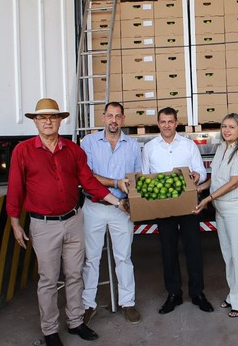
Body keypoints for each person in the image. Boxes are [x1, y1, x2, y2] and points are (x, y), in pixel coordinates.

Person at [6, 98, 126, 346]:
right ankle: (50, 330)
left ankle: (75, 322)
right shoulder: (23, 151)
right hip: (44, 225)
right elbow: (15, 188)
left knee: (74, 274)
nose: (47, 121)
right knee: (48, 280)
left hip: (73, 220)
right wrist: (15, 223)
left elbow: (89, 182)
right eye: (42, 117)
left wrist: (117, 202)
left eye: (52, 117)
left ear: (61, 120)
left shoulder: (73, 150)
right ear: (35, 122)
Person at [141, 107, 214, 314]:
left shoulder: (188, 145)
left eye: (170, 121)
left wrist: (197, 176)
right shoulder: (150, 148)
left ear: (176, 123)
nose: (167, 125)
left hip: (187, 204)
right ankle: (174, 294)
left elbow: (201, 171)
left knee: (194, 249)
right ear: (158, 123)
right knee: (168, 250)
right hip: (163, 206)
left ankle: (197, 293)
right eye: (163, 122)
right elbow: (144, 176)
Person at [80, 102, 142, 325]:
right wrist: (116, 182)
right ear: (103, 117)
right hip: (94, 207)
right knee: (91, 259)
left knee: (123, 257)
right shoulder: (88, 142)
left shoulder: (133, 146)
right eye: (110, 116)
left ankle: (128, 303)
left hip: (122, 208)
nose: (113, 120)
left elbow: (137, 177)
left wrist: (132, 200)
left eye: (118, 116)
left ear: (123, 119)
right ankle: (88, 305)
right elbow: (87, 176)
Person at [195, 113, 238, 318]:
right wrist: (199, 188)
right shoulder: (222, 148)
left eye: (231, 127)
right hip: (222, 209)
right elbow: (216, 179)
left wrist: (207, 199)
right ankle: (233, 294)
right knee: (228, 255)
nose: (227, 130)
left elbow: (234, 182)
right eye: (224, 126)